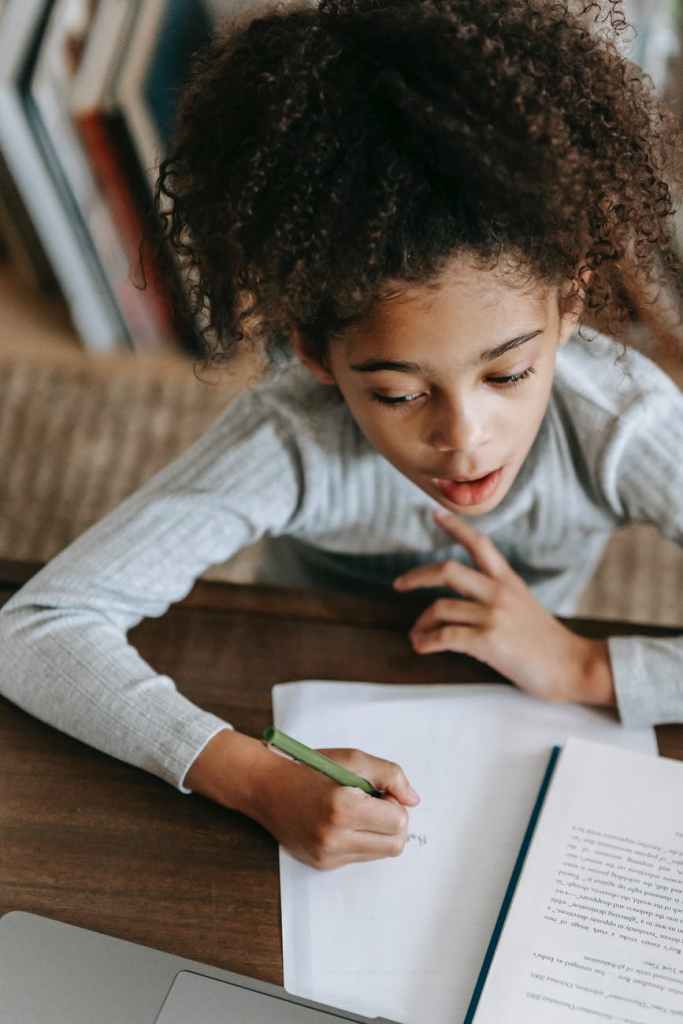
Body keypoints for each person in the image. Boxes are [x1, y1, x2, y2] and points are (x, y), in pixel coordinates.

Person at [1, 0, 682, 870]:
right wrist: (249, 776)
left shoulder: (623, 422)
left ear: (570, 303)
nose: (467, 440)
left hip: (532, 672)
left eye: (507, 375)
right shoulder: (292, 436)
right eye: (398, 393)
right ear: (316, 355)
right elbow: (38, 627)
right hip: (306, 644)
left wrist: (589, 669)